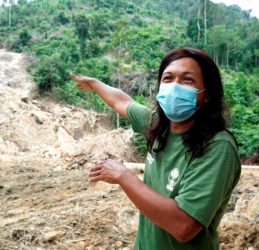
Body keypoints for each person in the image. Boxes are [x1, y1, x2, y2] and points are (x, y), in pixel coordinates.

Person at [70, 48, 241, 249]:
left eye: (187, 80)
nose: (175, 86)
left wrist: (123, 176)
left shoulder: (217, 146)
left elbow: (183, 226)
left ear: (208, 95)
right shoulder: (157, 125)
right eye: (168, 78)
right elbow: (122, 101)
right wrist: (95, 84)